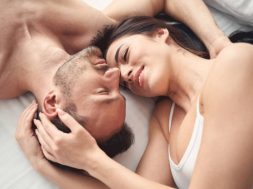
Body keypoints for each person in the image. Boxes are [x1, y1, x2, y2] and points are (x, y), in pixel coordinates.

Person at [26, 16, 253, 189]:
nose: (124, 74)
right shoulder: (164, 119)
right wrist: (41, 163)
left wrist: (92, 160)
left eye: (125, 55)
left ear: (159, 33)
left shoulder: (235, 62)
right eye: (124, 85)